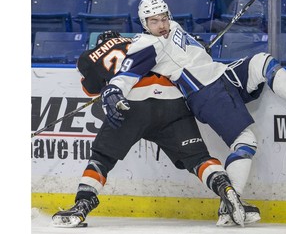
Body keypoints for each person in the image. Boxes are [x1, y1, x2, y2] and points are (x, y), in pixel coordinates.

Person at [101, 0, 286, 226]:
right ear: (144, 24)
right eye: (154, 21)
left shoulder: (174, 27)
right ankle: (229, 205)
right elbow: (126, 74)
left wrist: (197, 49)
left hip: (222, 74)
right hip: (206, 93)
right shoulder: (145, 45)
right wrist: (112, 90)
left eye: (163, 18)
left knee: (262, 62)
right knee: (246, 141)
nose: (161, 25)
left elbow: (186, 49)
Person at [51, 31, 250, 228]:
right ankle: (224, 186)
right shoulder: (147, 41)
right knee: (198, 159)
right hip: (172, 102)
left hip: (132, 103)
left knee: (101, 158)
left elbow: (90, 89)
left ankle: (83, 204)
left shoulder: (91, 54)